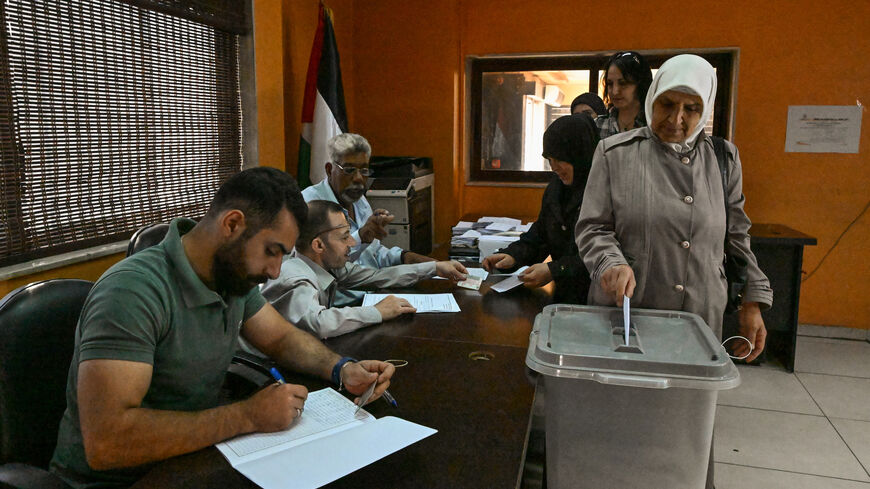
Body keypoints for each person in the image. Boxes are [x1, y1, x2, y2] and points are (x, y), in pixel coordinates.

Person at [50, 168, 395, 489]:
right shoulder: (132, 292)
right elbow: (107, 443)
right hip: (121, 481)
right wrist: (247, 416)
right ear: (232, 224)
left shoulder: (230, 278)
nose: (275, 272)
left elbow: (280, 337)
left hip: (194, 460)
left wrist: (341, 368)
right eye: (272, 251)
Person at [574, 54, 772, 489]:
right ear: (652, 99)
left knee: (687, 434)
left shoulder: (723, 158)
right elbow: (592, 227)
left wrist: (753, 301)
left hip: (699, 316)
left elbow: (737, 234)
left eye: (691, 108)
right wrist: (610, 262)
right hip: (631, 315)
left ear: (705, 108)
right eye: (667, 104)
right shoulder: (615, 153)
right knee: (624, 427)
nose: (677, 119)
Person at [261, 200, 468, 338]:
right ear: (318, 245)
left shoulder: (326, 264)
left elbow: (378, 276)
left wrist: (433, 267)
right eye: (344, 237)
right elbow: (318, 323)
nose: (352, 243)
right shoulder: (294, 276)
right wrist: (376, 312)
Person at [302, 133, 435, 305]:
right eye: (349, 170)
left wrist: (412, 259)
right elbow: (325, 265)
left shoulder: (360, 201)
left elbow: (374, 253)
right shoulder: (310, 205)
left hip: (376, 292)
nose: (358, 178)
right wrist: (361, 237)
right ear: (329, 170)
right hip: (341, 306)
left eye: (364, 171)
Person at [482, 113, 599, 304]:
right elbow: (541, 234)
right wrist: (513, 255)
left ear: (578, 155)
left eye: (559, 159)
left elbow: (601, 254)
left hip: (595, 299)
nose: (554, 167)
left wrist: (554, 270)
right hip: (561, 297)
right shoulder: (556, 189)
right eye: (549, 160)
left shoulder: (603, 192)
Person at [595, 51, 653, 139]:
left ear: (640, 85)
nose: (615, 91)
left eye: (623, 83)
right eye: (610, 84)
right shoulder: (597, 125)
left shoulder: (653, 124)